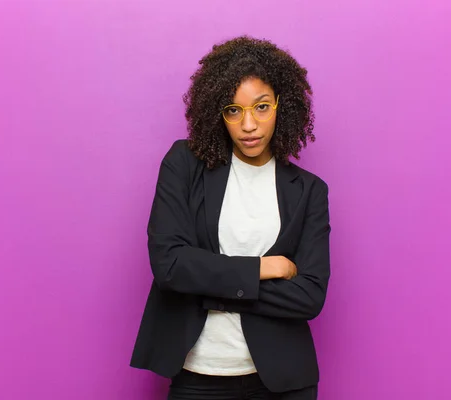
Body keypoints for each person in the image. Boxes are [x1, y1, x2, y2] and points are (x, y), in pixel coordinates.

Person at [130, 36, 331, 400]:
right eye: (234, 110)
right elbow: (170, 264)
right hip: (199, 379)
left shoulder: (309, 192)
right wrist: (261, 269)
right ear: (217, 112)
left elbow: (310, 297)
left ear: (280, 105)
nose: (249, 125)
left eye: (262, 107)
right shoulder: (184, 165)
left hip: (284, 382)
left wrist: (211, 291)